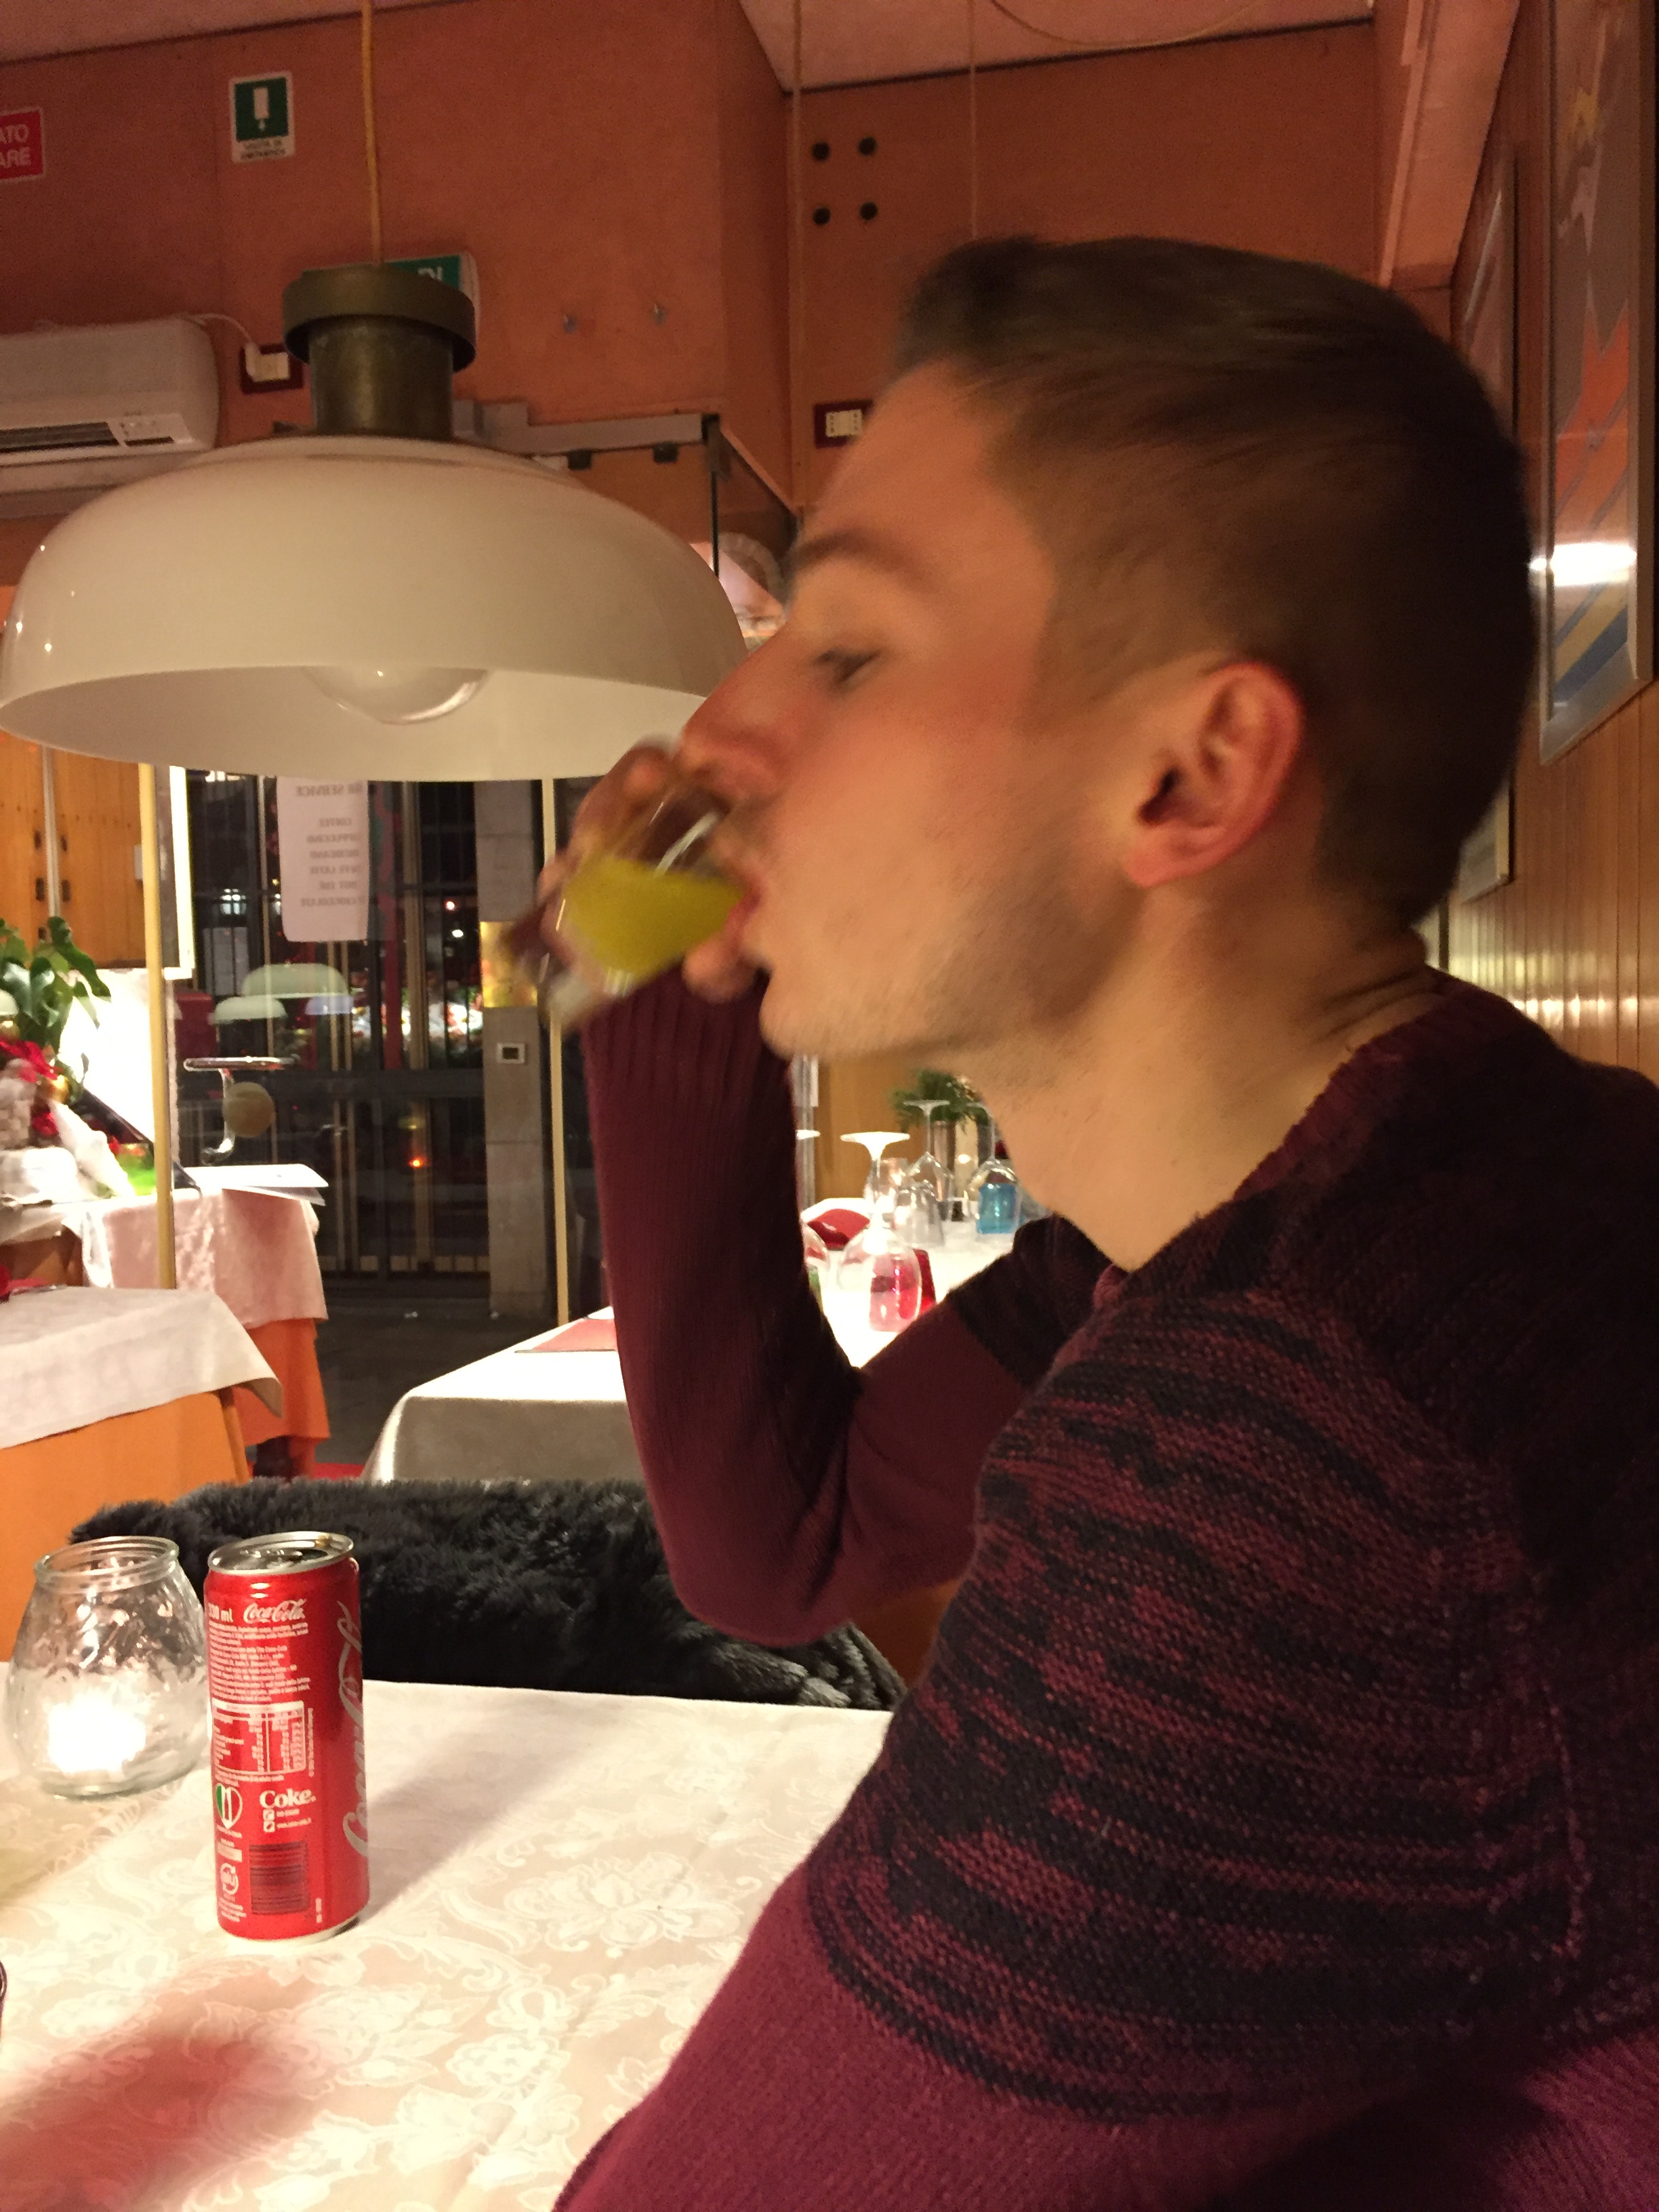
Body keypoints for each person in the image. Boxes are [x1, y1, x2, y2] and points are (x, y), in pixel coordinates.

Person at [551, 237, 1659, 2209]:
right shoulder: (1424, 1193)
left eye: (849, 651)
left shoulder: (1305, 1445)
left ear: (1193, 771)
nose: (710, 737)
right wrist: (660, 979)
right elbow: (781, 1542)